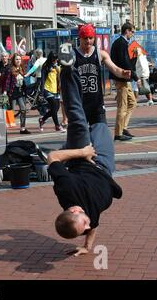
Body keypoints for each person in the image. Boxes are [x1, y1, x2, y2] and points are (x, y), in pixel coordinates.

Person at [47, 44, 123, 256]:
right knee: (99, 119)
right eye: (86, 227)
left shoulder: (66, 188)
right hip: (104, 164)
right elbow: (94, 224)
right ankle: (86, 77)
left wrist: (82, 152)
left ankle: (67, 69)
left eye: (84, 224)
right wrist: (87, 246)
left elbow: (52, 157)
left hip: (82, 157)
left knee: (77, 118)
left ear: (74, 210)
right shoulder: (88, 216)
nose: (89, 226)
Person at [71, 24, 132, 129]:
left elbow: (114, 69)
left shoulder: (100, 54)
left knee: (100, 135)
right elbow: (65, 75)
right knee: (81, 138)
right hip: (80, 104)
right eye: (85, 38)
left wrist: (123, 73)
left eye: (91, 38)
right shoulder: (73, 55)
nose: (88, 41)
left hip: (97, 104)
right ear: (80, 38)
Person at [110, 23, 141, 141]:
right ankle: (118, 133)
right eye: (132, 32)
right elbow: (124, 62)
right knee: (122, 106)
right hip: (121, 78)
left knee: (132, 102)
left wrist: (135, 57)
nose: (133, 34)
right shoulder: (121, 44)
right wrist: (136, 77)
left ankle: (124, 127)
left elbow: (127, 62)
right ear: (127, 31)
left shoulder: (122, 43)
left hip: (124, 78)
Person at [39, 52, 64, 133]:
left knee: (55, 109)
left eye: (56, 59)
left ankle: (42, 119)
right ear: (50, 59)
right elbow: (42, 80)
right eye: (53, 59)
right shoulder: (46, 66)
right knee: (53, 107)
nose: (55, 61)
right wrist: (42, 94)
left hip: (57, 90)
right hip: (48, 89)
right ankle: (57, 126)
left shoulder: (59, 64)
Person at [5, 53, 29, 134]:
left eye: (19, 59)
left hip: (20, 91)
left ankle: (23, 128)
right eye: (16, 59)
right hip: (13, 91)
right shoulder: (11, 69)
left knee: (23, 110)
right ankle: (3, 125)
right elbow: (8, 81)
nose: (18, 61)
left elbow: (24, 77)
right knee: (11, 110)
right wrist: (5, 91)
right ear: (13, 61)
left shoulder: (22, 68)